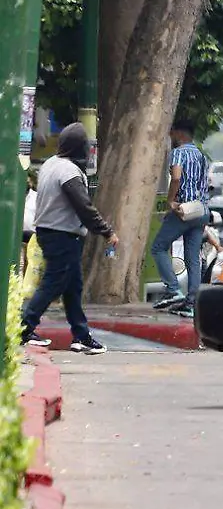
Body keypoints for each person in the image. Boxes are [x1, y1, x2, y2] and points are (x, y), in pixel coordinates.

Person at [21, 124, 117, 354]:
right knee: (53, 283)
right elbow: (84, 207)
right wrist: (107, 231)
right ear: (78, 147)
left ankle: (81, 336)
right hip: (62, 235)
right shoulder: (69, 172)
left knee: (73, 287)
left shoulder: (50, 165)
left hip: (48, 232)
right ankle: (23, 327)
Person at [152, 119, 212, 313]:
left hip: (184, 209)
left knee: (158, 247)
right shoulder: (202, 156)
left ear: (179, 133)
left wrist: (171, 201)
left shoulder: (178, 153)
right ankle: (191, 304)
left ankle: (172, 290)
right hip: (202, 210)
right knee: (192, 257)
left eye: (172, 132)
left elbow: (176, 177)